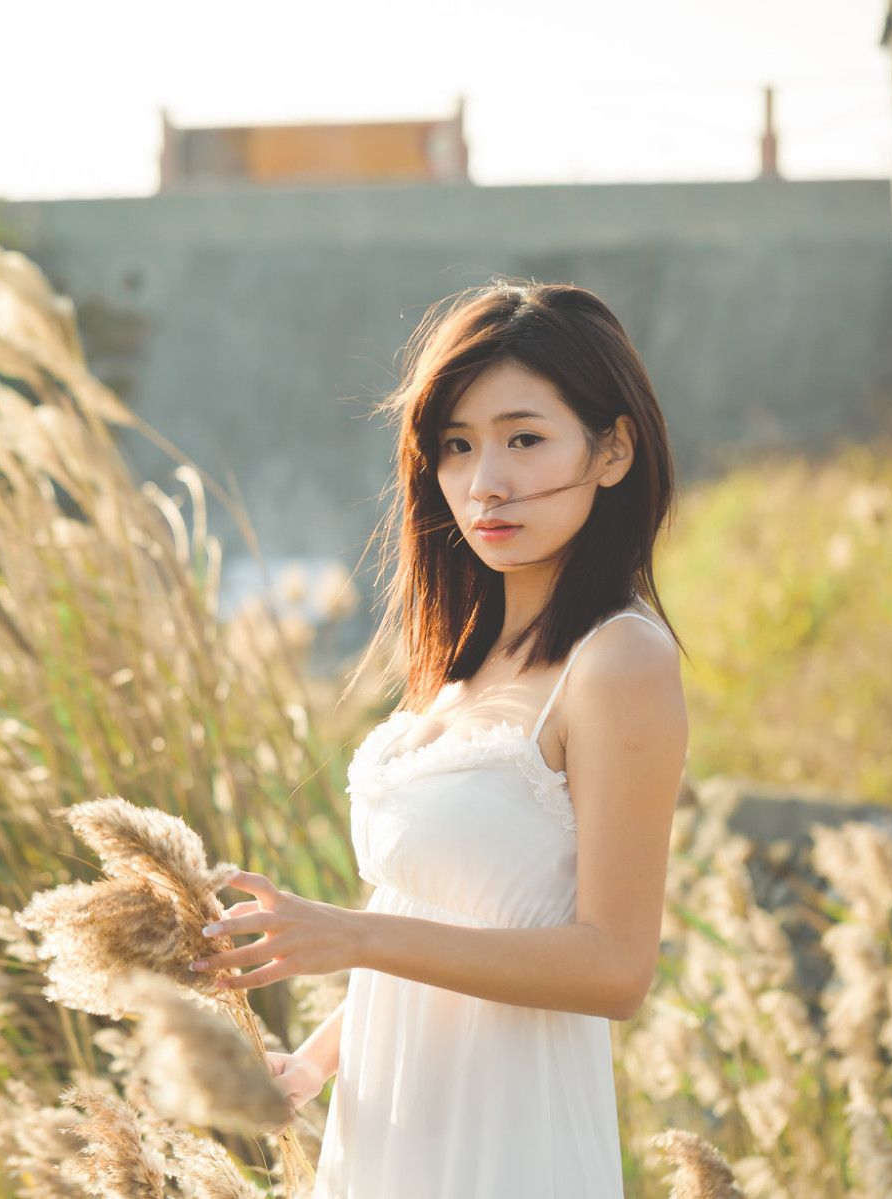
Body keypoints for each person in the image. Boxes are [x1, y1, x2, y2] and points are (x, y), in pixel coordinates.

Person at [185, 278, 688, 1195]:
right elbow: (432, 909)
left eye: (524, 438)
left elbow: (616, 967)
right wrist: (315, 1058)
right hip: (389, 1125)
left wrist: (352, 934)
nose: (484, 480)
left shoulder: (619, 660)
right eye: (456, 446)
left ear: (613, 450)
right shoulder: (459, 661)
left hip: (510, 1134)